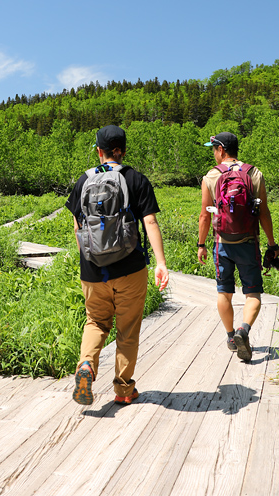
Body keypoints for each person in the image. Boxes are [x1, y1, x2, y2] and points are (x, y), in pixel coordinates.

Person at [66, 124, 170, 405]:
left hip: (91, 271)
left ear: (99, 151)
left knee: (96, 321)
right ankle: (123, 390)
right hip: (130, 268)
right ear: (122, 150)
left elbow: (78, 228)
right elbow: (149, 221)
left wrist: (88, 262)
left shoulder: (83, 181)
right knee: (128, 329)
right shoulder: (136, 179)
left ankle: (86, 365)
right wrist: (160, 263)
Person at [196, 132, 278, 362]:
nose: (213, 154)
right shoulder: (254, 173)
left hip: (222, 244)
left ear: (221, 150)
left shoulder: (211, 177)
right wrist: (272, 244)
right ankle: (244, 330)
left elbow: (204, 216)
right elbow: (263, 212)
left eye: (214, 149)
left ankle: (231, 337)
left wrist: (201, 244)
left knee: (225, 291)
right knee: (253, 293)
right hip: (248, 243)